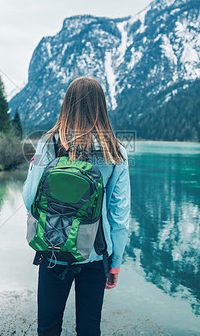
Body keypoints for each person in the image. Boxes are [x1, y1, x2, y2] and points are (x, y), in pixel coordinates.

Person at [22, 76, 131, 336]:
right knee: (89, 329)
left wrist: (33, 167)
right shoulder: (116, 152)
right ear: (101, 108)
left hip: (53, 248)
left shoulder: (50, 143)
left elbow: (29, 200)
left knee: (48, 328)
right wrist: (115, 263)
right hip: (95, 252)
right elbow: (120, 215)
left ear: (67, 105)